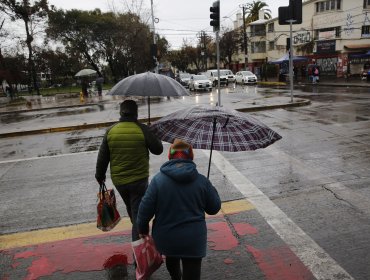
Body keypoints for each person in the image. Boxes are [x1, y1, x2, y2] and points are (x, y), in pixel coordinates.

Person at [136, 139, 221, 280]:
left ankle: (176, 276)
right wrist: (211, 188)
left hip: (166, 238)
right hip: (194, 240)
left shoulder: (158, 181)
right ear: (191, 156)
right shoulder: (201, 181)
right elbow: (214, 208)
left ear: (170, 156)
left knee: (172, 254)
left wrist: (142, 230)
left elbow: (144, 210)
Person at [95, 100, 163, 242]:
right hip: (139, 180)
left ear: (121, 113)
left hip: (119, 181)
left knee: (133, 209)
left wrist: (99, 176)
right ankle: (139, 251)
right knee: (138, 213)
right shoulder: (142, 129)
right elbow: (158, 150)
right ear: (136, 113)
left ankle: (138, 230)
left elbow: (102, 158)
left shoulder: (111, 131)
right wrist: (152, 133)